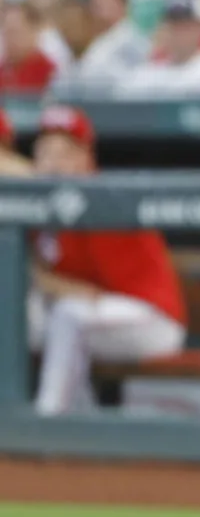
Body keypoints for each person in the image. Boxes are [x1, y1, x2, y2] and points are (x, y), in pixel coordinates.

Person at [27, 105, 187, 415]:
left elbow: (92, 295)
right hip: (99, 318)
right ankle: (69, 415)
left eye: (63, 154)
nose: (52, 164)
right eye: (44, 153)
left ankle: (49, 417)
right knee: (24, 316)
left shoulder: (103, 200)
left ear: (85, 158)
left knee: (68, 315)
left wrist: (40, 278)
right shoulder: (43, 204)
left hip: (149, 319)